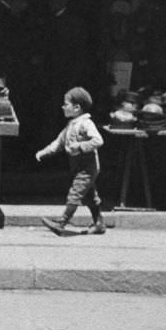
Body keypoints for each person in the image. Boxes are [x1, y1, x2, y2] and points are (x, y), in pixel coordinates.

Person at [35, 86, 106, 236]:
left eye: (66, 104)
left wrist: (81, 146)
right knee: (90, 196)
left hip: (88, 167)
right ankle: (99, 223)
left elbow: (98, 140)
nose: (63, 107)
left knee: (75, 193)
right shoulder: (71, 125)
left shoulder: (86, 124)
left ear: (77, 108)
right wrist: (44, 152)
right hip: (78, 166)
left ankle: (62, 222)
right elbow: (59, 142)